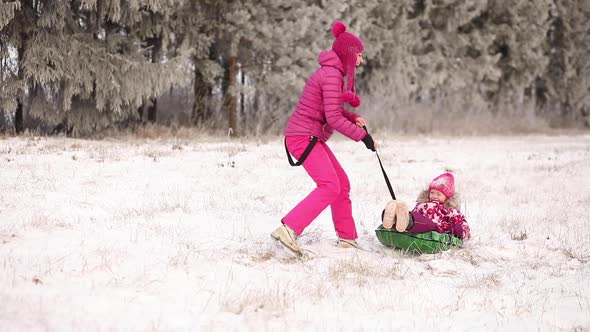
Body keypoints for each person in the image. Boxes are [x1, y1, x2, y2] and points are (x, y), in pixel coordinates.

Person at [271, 21, 378, 256]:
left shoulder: (333, 74)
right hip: (302, 137)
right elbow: (333, 118)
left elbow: (333, 112)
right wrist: (363, 138)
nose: (360, 61)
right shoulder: (331, 75)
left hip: (310, 136)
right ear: (350, 55)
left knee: (342, 184)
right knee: (330, 185)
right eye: (359, 56)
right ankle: (288, 229)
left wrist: (353, 117)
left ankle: (348, 239)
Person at [382, 172, 471, 240]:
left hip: (434, 227)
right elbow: (415, 213)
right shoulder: (422, 204)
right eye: (432, 192)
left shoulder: (450, 210)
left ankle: (406, 222)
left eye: (438, 194)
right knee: (412, 216)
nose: (434, 196)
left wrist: (454, 229)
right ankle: (393, 217)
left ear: (447, 198)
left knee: (428, 224)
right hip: (415, 221)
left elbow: (464, 228)